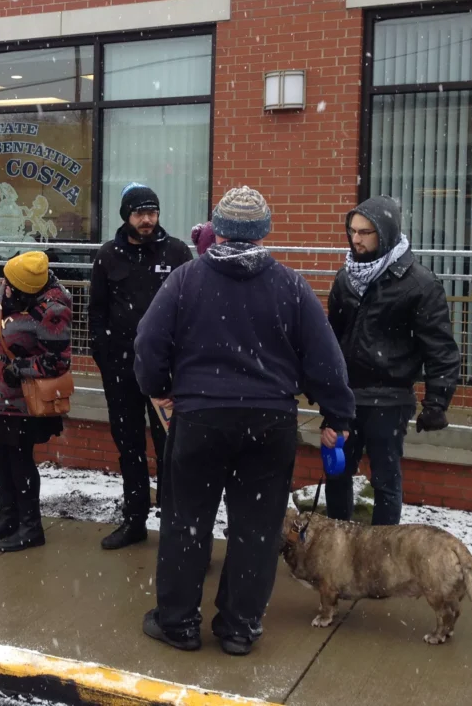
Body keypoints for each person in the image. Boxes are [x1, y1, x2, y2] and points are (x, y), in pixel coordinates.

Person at [135, 186, 355, 655]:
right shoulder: (291, 286)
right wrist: (337, 412)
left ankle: (178, 622)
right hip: (269, 422)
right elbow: (325, 357)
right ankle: (239, 626)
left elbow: (148, 343)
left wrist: (157, 386)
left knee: (186, 522)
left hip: (200, 419)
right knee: (256, 529)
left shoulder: (185, 280)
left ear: (218, 230)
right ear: (263, 232)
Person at [326, 195, 460, 526]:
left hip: (390, 397)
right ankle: (337, 548)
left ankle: (382, 552)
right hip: (346, 397)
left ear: (384, 233)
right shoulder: (345, 279)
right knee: (336, 472)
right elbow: (330, 339)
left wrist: (437, 402)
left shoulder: (419, 284)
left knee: (385, 480)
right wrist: (324, 388)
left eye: (365, 232)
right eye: (352, 231)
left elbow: (440, 347)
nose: (356, 239)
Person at [89, 184, 191, 550]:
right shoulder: (107, 256)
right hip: (122, 371)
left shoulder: (176, 252)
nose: (147, 220)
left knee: (171, 447)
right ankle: (134, 520)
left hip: (166, 373)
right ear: (126, 216)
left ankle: (174, 526)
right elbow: (96, 313)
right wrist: (105, 359)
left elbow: (190, 309)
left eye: (152, 212)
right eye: (139, 213)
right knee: (129, 445)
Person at [0, 251, 72, 553]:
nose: (4, 287)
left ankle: (31, 527)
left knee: (20, 461)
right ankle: (9, 518)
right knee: (3, 457)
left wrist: (21, 368)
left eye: (10, 284)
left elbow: (59, 361)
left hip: (23, 400)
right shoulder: (10, 291)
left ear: (26, 288)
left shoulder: (52, 309)